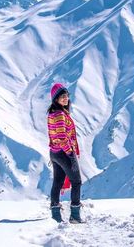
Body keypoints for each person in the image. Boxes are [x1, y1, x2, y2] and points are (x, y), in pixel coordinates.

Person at [47, 83, 84, 223]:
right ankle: (75, 215)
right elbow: (62, 136)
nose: (65, 98)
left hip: (54, 153)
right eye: (62, 96)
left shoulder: (53, 113)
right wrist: (69, 152)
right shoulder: (60, 114)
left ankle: (55, 215)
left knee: (57, 181)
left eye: (67, 96)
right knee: (77, 181)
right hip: (63, 153)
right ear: (55, 99)